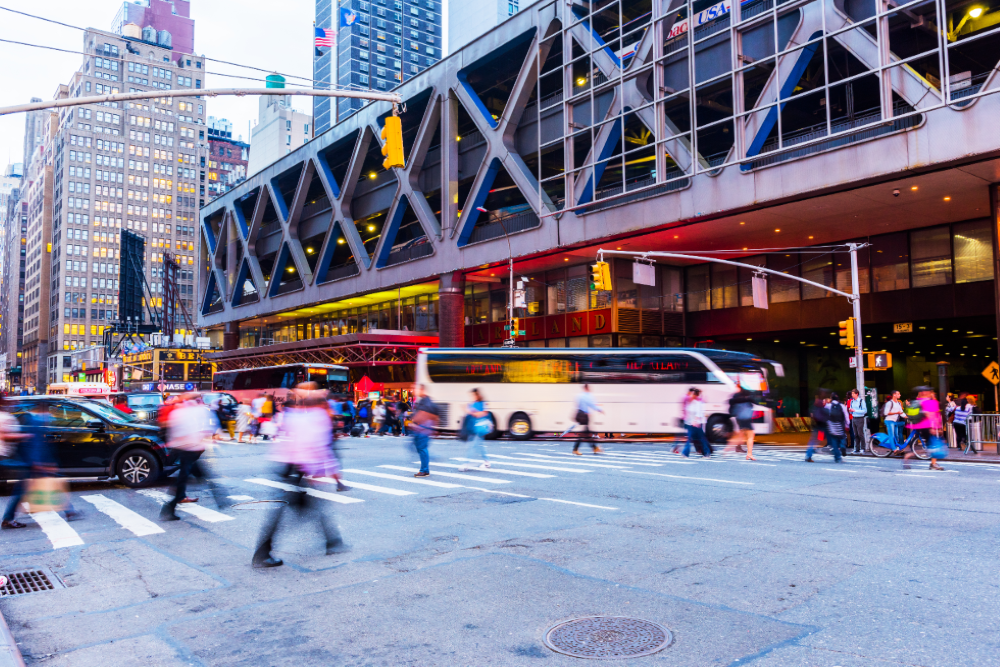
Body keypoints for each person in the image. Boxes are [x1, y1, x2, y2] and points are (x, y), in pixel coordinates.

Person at [252, 385, 347, 568]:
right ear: (321, 405)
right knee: (286, 510)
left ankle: (333, 541)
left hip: (288, 467)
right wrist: (325, 471)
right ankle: (262, 553)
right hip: (295, 468)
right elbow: (316, 446)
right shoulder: (317, 418)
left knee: (311, 505)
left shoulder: (295, 415)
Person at [3, 401, 80, 529]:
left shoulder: (32, 420)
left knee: (25, 490)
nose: (52, 415)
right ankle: (69, 511)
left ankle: (69, 510)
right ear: (44, 410)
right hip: (32, 462)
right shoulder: (34, 422)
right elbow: (34, 444)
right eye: (51, 411)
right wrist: (40, 463)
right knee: (46, 486)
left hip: (31, 462)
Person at [161, 393, 222, 520]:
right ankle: (169, 507)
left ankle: (220, 498)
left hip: (184, 448)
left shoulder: (178, 412)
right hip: (191, 449)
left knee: (189, 476)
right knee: (187, 477)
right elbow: (207, 429)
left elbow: (172, 430)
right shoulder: (199, 411)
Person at [904, 387, 945, 471]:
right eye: (931, 392)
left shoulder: (921, 400)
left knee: (932, 446)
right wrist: (935, 427)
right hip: (927, 427)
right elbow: (929, 414)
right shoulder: (928, 402)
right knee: (933, 446)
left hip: (923, 426)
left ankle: (932, 463)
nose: (932, 394)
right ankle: (932, 464)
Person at [410, 385, 439, 477]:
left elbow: (426, 414)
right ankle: (425, 468)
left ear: (421, 390)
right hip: (421, 428)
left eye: (416, 388)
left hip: (423, 428)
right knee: (419, 447)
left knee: (422, 448)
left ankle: (425, 470)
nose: (414, 390)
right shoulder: (423, 400)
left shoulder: (426, 401)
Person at [459, 389, 491, 471]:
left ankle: (466, 463)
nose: (472, 397)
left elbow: (482, 414)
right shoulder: (471, 404)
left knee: (472, 445)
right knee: (479, 445)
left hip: (479, 427)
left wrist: (470, 411)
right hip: (473, 428)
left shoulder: (483, 403)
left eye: (473, 395)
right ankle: (486, 462)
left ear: (477, 395)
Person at [572, 384, 604, 455]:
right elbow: (592, 404)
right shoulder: (587, 396)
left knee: (586, 433)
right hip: (584, 416)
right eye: (589, 388)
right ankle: (576, 449)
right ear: (587, 388)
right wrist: (600, 410)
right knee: (585, 433)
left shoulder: (579, 396)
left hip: (580, 415)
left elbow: (577, 406)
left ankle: (594, 447)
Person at [726, 389, 756, 460]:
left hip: (739, 418)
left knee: (742, 435)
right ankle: (749, 454)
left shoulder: (736, 398)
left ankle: (729, 449)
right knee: (750, 436)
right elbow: (753, 404)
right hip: (745, 419)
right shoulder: (746, 399)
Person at [682, 388, 711, 458]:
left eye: (692, 394)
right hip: (690, 424)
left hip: (697, 424)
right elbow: (688, 413)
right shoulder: (690, 403)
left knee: (701, 439)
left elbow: (699, 413)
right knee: (690, 439)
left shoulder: (698, 403)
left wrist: (695, 421)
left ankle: (707, 453)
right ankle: (685, 453)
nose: (690, 395)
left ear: (695, 395)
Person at [805, 389, 831, 462]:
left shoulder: (814, 404)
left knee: (814, 440)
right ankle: (810, 454)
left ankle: (809, 454)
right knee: (817, 440)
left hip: (816, 425)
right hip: (821, 425)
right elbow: (825, 412)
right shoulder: (820, 404)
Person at [824, 392, 848, 462]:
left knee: (834, 441)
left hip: (832, 427)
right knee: (842, 438)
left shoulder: (828, 406)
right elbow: (846, 416)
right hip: (840, 425)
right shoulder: (842, 406)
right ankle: (842, 446)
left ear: (831, 398)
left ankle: (837, 457)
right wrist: (847, 424)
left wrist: (827, 424)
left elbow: (825, 415)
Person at [848, 389, 867, 454]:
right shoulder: (852, 401)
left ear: (857, 394)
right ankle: (857, 448)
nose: (852, 395)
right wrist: (850, 410)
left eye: (853, 393)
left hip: (860, 418)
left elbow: (865, 411)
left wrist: (855, 410)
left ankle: (863, 448)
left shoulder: (861, 401)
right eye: (852, 394)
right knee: (855, 434)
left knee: (860, 434)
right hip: (854, 418)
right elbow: (851, 409)